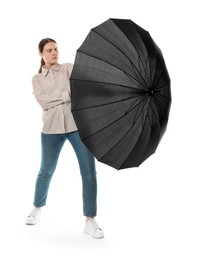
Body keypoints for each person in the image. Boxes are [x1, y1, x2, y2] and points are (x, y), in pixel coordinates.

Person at [25, 38, 104, 239]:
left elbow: (86, 81)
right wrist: (67, 94)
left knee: (89, 171)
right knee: (46, 170)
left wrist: (61, 95)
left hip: (77, 126)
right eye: (50, 50)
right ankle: (37, 207)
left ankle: (90, 220)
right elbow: (44, 101)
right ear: (41, 54)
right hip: (51, 129)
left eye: (56, 49)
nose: (54, 53)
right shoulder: (36, 79)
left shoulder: (68, 69)